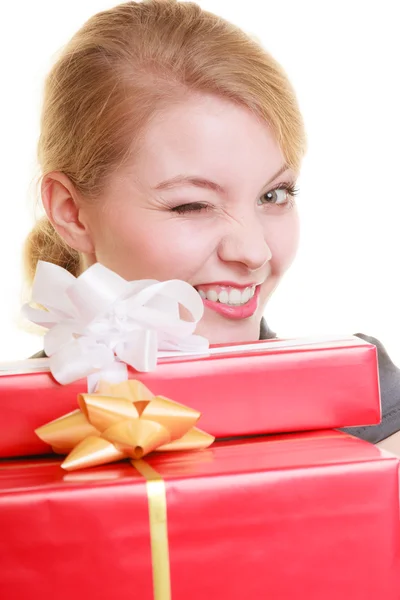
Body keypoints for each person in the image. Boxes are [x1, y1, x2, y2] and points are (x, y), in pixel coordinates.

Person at [25, 0, 400, 451]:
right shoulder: (14, 421)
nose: (255, 251)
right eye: (193, 205)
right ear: (72, 212)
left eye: (273, 195)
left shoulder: (359, 393)